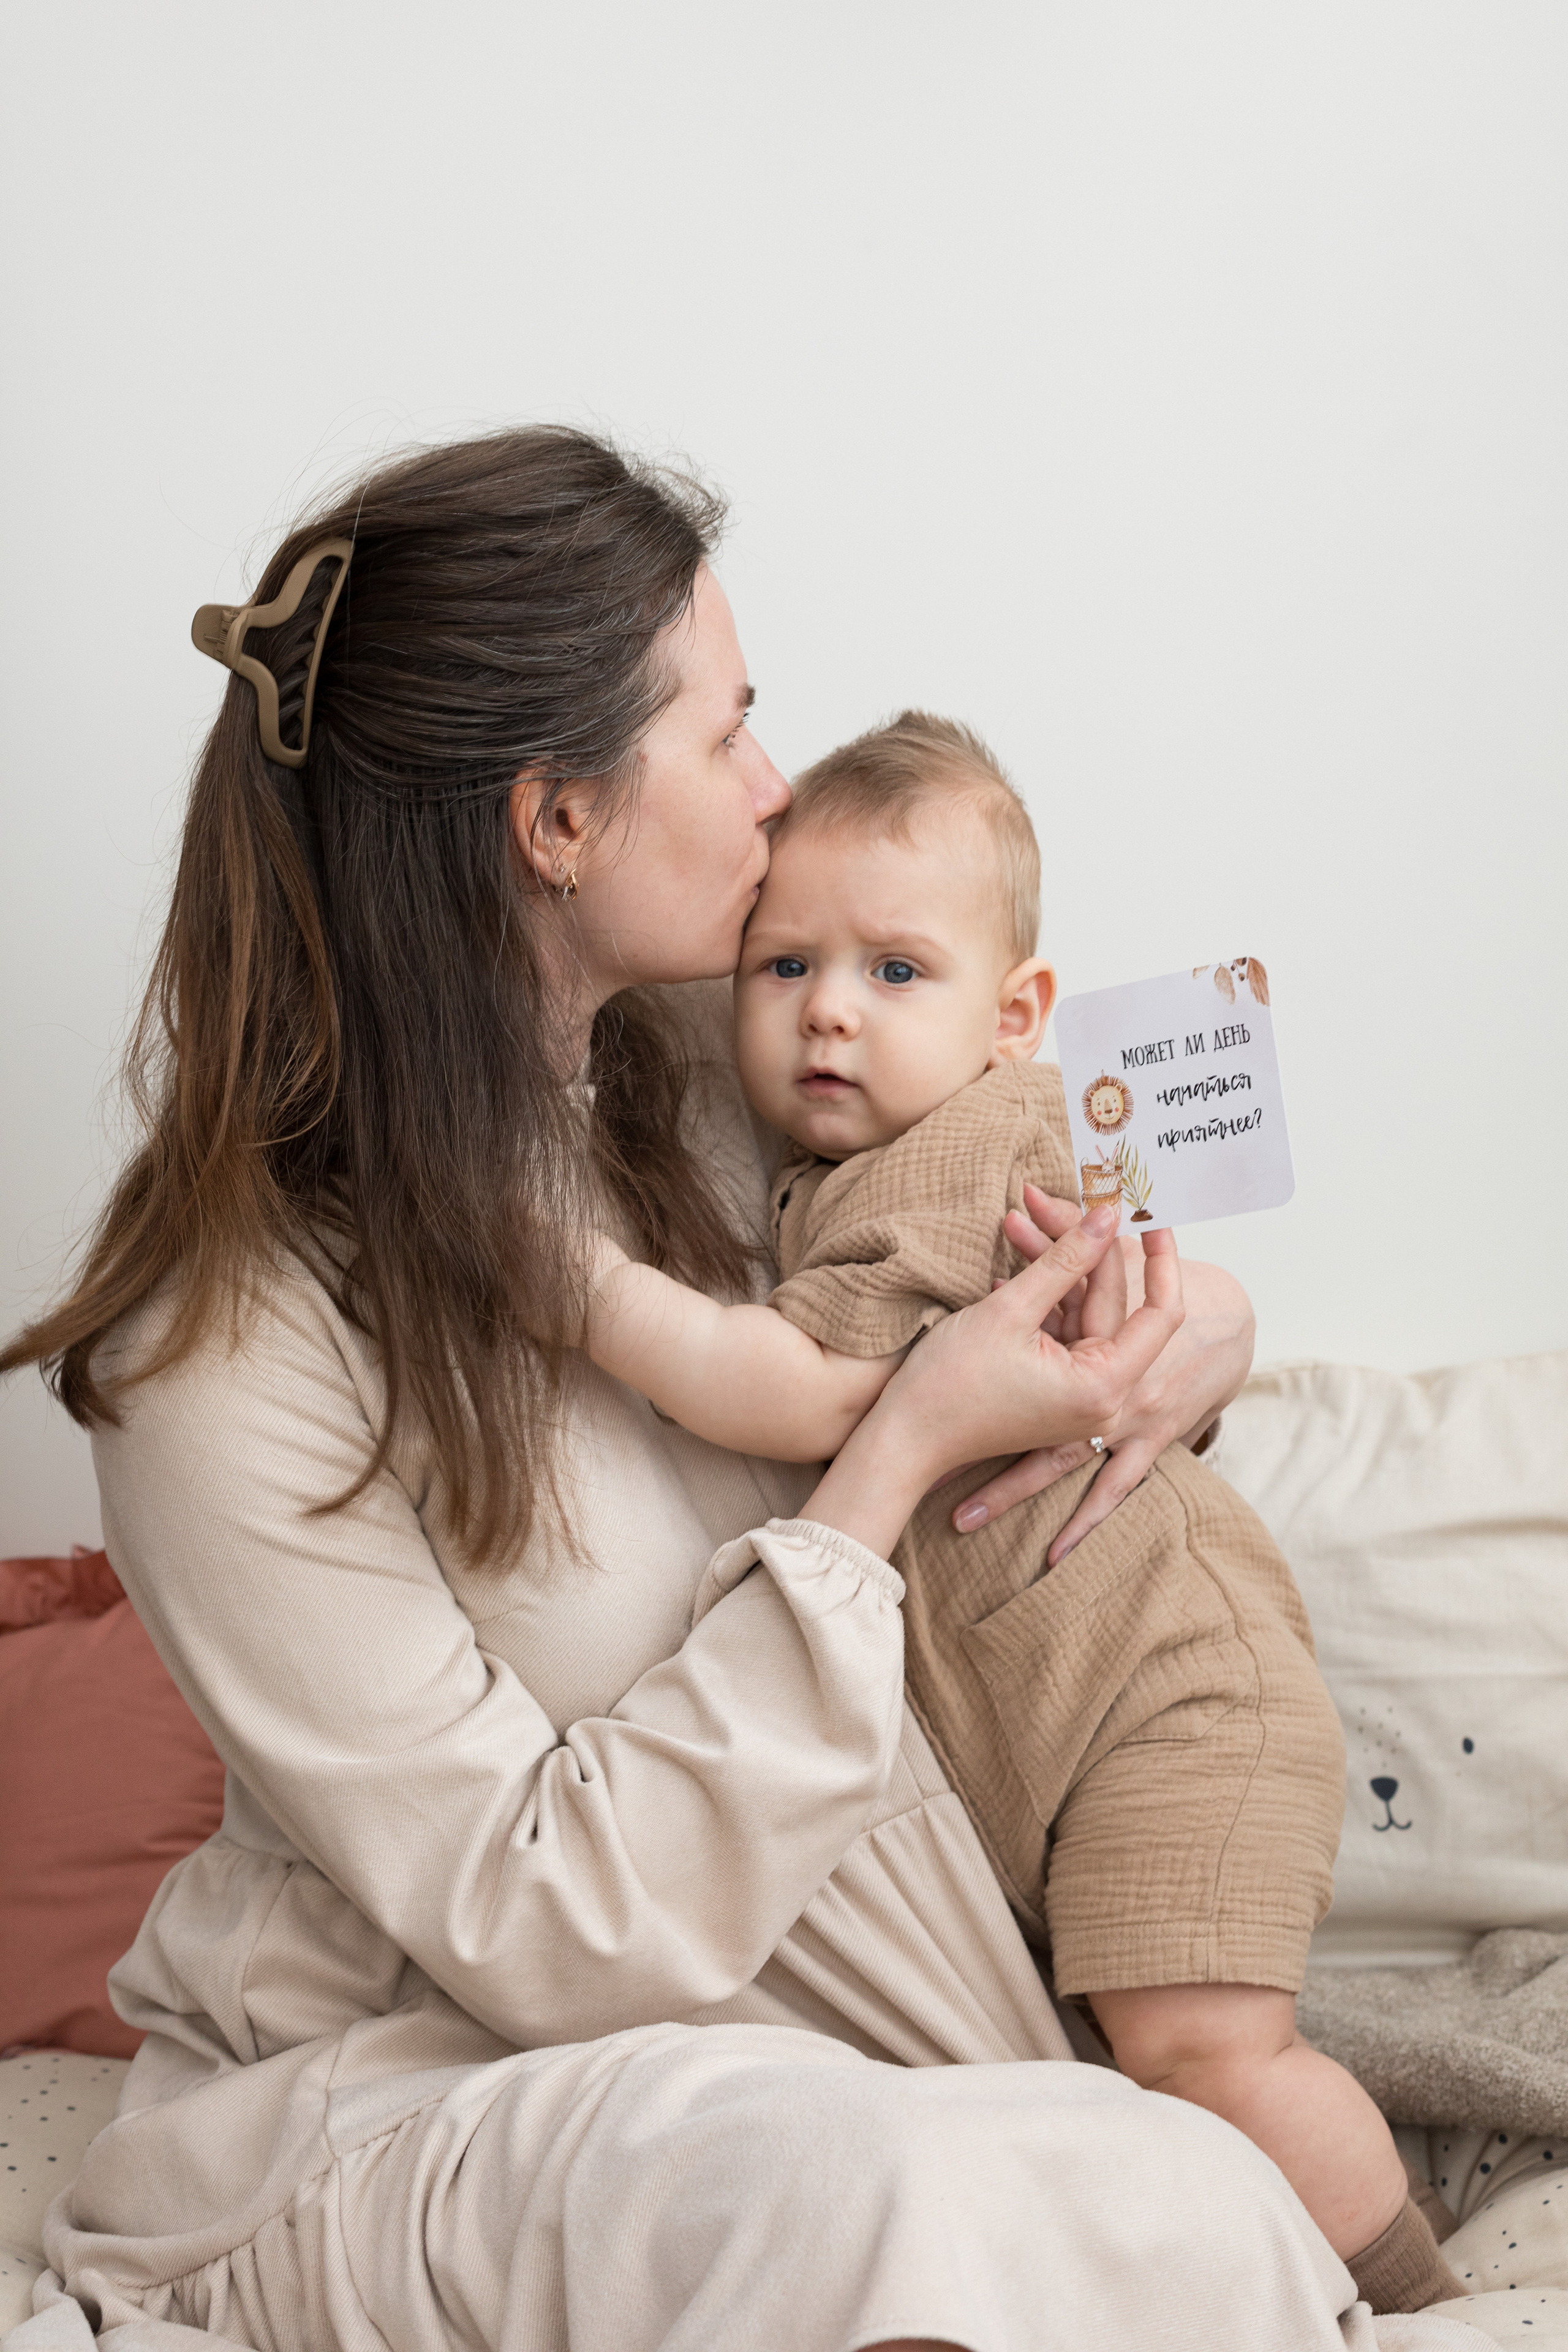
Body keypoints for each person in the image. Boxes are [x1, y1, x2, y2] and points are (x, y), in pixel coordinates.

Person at [0, 428, 1470, 2352]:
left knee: (1150, 2183)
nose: (777, 793)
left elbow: (1004, 1207)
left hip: (831, 2046)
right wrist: (899, 1456)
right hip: (432, 2088)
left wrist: (1192, 1332)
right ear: (558, 822)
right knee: (878, 2189)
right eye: (730, 731)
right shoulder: (221, 1347)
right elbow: (544, 1935)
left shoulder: (741, 1058)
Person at [584, 712, 1461, 2315]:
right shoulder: (850, 1171)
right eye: (784, 967)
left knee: (1209, 2056)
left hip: (1170, 1700)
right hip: (1095, 1716)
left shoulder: (960, 1157)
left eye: (894, 971)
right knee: (1153, 2056)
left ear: (1015, 1017)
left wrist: (590, 1295)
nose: (829, 1008)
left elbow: (799, 1389)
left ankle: (1422, 2308)